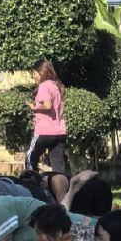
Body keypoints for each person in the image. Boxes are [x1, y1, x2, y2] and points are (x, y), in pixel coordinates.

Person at [26, 59, 68, 187]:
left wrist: (34, 108)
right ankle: (60, 193)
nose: (34, 76)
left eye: (34, 73)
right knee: (58, 167)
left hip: (45, 132)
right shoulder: (55, 85)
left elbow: (47, 105)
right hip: (59, 132)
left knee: (30, 158)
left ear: (41, 72)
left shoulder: (44, 86)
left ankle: (32, 187)